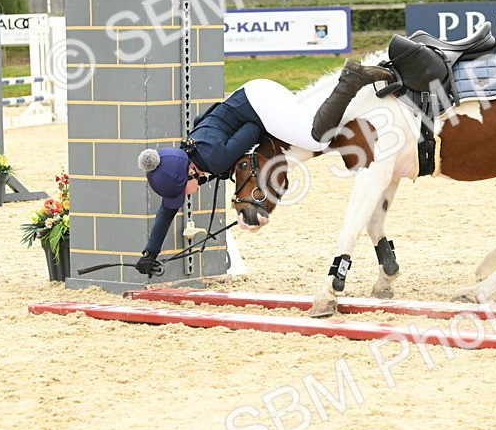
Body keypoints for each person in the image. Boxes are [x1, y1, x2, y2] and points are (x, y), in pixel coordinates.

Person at [133, 60, 392, 275]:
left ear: (189, 173)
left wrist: (233, 161)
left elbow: (253, 130)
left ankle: (351, 78)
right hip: (250, 91)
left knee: (315, 137)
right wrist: (149, 254)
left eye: (183, 191)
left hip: (261, 105)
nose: (186, 196)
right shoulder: (188, 150)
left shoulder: (214, 159)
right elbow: (165, 212)